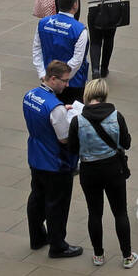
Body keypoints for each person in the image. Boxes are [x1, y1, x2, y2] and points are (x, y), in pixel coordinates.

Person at [72, 77, 137, 268]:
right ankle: (127, 256)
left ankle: (98, 255)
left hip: (89, 170)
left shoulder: (78, 120)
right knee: (120, 213)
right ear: (104, 95)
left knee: (94, 213)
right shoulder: (117, 116)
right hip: (113, 169)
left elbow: (72, 149)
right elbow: (126, 143)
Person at [24, 61, 83, 259]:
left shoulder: (30, 96)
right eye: (64, 81)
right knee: (57, 204)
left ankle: (37, 237)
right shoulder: (55, 108)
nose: (67, 85)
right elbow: (64, 138)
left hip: (35, 156)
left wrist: (60, 112)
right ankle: (58, 245)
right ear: (53, 79)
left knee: (37, 197)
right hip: (55, 162)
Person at [33, 0, 89, 104]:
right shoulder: (80, 30)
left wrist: (43, 75)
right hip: (73, 84)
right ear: (75, 5)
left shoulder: (43, 23)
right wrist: (64, 79)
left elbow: (36, 50)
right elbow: (77, 61)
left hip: (49, 81)